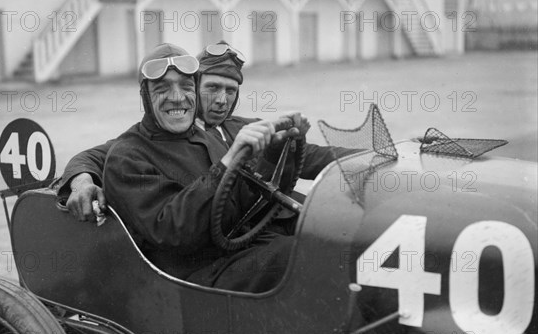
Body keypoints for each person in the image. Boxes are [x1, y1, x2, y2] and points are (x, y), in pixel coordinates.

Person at [67, 43, 306, 292]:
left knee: (324, 236)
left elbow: (243, 204)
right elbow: (172, 232)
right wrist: (226, 164)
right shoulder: (127, 156)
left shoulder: (206, 137)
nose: (177, 97)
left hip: (236, 250)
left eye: (186, 86)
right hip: (192, 279)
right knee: (305, 256)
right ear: (146, 97)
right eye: (162, 89)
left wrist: (273, 155)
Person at [58, 41, 357, 222]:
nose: (221, 99)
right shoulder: (145, 143)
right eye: (212, 88)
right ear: (195, 87)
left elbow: (315, 157)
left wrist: (367, 157)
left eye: (230, 90)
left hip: (268, 218)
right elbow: (93, 157)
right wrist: (81, 182)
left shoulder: (244, 127)